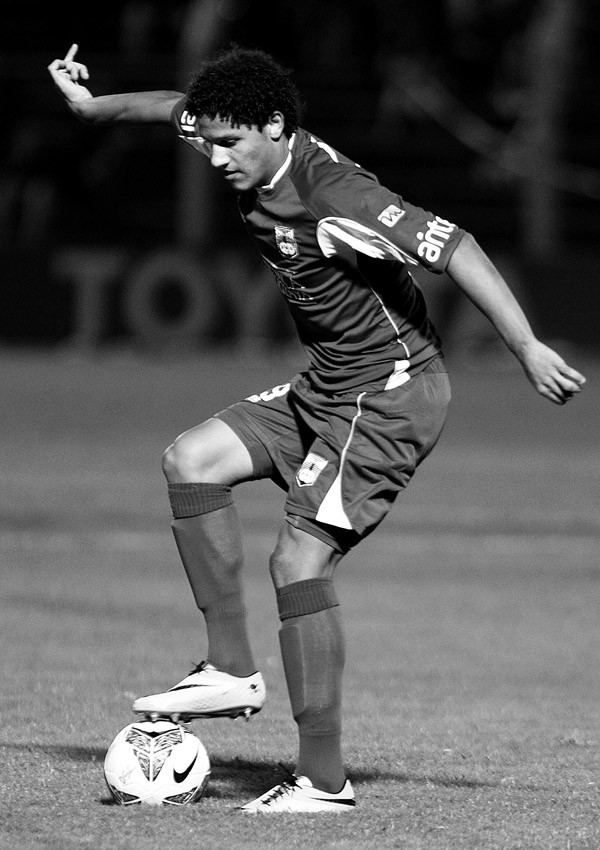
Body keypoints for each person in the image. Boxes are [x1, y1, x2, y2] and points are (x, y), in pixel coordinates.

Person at [48, 43, 586, 813]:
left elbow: (455, 245)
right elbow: (174, 106)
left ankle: (324, 785)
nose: (215, 157)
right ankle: (230, 670)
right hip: (328, 386)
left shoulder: (334, 191)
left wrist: (527, 346)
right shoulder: (234, 136)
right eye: (210, 140)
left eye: (230, 143)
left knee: (298, 562)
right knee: (190, 460)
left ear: (274, 126)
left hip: (389, 395)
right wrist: (92, 106)